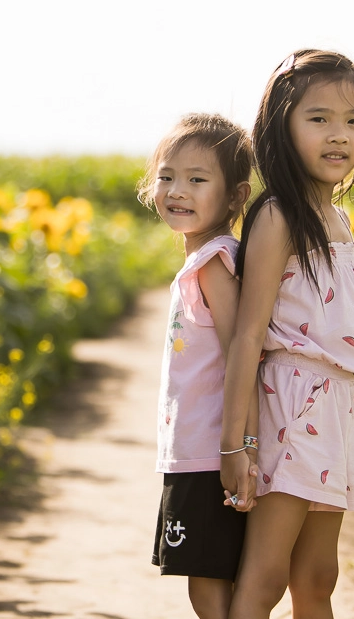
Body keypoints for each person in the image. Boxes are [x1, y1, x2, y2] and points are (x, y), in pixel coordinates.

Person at [220, 49, 354, 619]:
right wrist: (234, 443)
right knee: (265, 577)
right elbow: (247, 336)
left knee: (318, 577)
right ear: (281, 128)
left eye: (353, 120)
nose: (339, 135)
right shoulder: (280, 215)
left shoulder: (336, 215)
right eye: (318, 119)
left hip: (336, 408)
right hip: (291, 405)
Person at [139, 113, 257, 619]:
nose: (177, 190)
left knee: (208, 585)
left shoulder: (213, 261)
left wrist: (243, 446)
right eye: (167, 176)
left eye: (197, 179)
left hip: (211, 455)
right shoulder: (206, 259)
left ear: (235, 197)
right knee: (209, 583)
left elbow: (241, 351)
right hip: (200, 451)